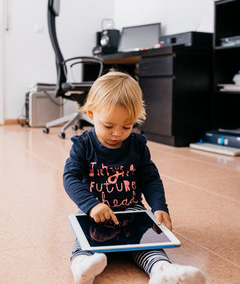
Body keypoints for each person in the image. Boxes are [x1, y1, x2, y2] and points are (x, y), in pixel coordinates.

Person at [63, 70, 206, 284]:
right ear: (91, 114)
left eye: (127, 126)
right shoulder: (83, 145)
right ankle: (82, 268)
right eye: (108, 126)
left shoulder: (137, 145)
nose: (117, 134)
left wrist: (159, 207)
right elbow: (70, 178)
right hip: (95, 212)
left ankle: (162, 271)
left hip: (132, 210)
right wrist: (91, 205)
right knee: (85, 242)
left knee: (149, 243)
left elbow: (150, 178)